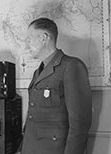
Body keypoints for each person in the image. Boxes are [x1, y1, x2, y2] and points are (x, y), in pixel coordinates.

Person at [19, 18, 92, 154]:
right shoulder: (38, 72)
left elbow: (79, 124)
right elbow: (33, 116)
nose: (26, 46)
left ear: (44, 38)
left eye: (29, 39)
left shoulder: (71, 66)